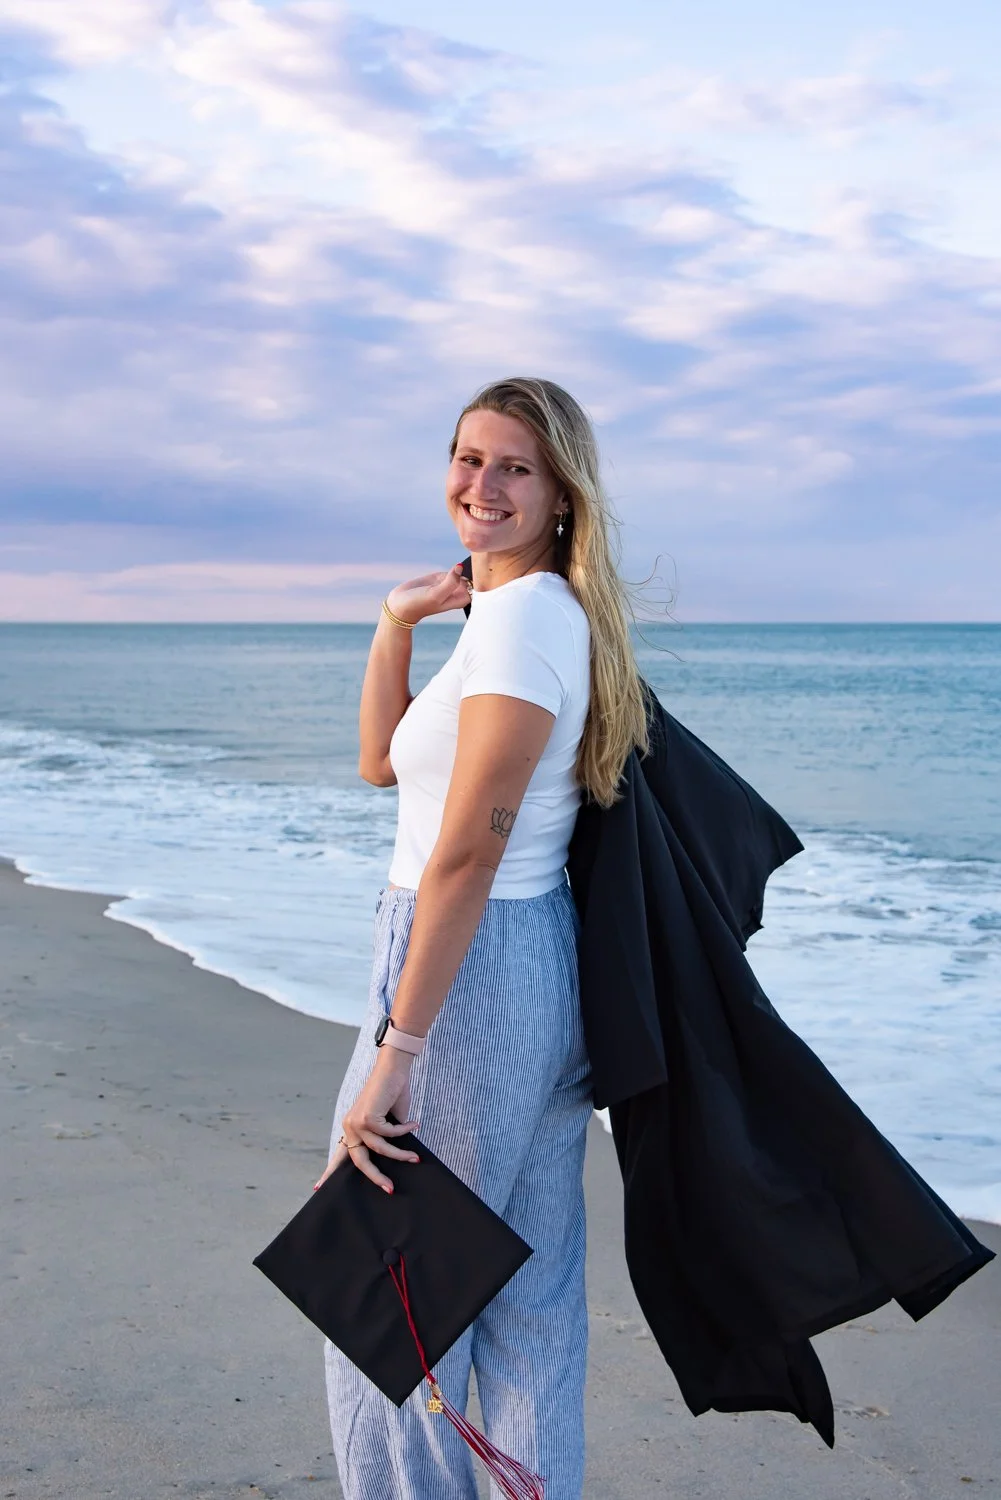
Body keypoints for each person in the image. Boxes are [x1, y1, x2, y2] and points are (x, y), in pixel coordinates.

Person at [313, 377, 650, 1500]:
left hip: (464, 973)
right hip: (522, 969)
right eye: (468, 457)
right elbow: (379, 764)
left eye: (514, 466)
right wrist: (394, 621)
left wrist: (398, 1051)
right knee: (527, 1315)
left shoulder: (520, 627)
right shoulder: (517, 616)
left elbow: (465, 856)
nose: (482, 484)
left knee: (384, 1321)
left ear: (561, 493)